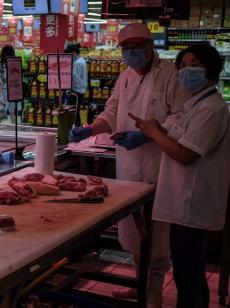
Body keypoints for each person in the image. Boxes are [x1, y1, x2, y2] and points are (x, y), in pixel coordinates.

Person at [69, 23, 190, 306]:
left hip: (159, 166)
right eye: (127, 48)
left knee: (156, 235)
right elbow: (111, 112)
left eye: (138, 46)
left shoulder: (170, 75)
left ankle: (153, 294)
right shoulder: (124, 77)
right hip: (128, 168)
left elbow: (181, 117)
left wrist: (147, 135)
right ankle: (139, 284)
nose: (132, 53)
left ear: (151, 46)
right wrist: (91, 129)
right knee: (133, 232)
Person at [130, 44, 230, 308]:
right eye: (182, 67)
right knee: (191, 275)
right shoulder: (195, 104)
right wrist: (153, 127)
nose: (187, 71)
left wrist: (153, 133)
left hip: (191, 205)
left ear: (211, 69)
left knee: (188, 277)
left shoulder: (211, 109)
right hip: (183, 202)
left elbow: (186, 154)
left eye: (194, 65)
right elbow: (179, 135)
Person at [0, 45, 20, 124]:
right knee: (13, 113)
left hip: (3, 91)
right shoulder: (16, 65)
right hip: (15, 91)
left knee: (0, 112)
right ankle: (16, 131)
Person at [64, 43, 87, 126]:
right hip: (79, 90)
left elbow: (74, 78)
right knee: (76, 112)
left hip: (75, 91)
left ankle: (75, 131)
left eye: (69, 55)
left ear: (73, 52)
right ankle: (76, 129)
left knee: (74, 113)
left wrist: (68, 87)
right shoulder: (81, 60)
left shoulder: (77, 63)